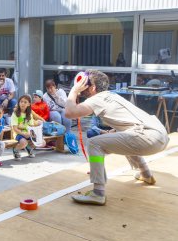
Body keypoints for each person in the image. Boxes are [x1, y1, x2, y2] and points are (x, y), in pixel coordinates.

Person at [65, 70, 169, 205]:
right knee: (125, 136)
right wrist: (112, 132)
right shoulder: (113, 96)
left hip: (147, 136)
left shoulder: (97, 99)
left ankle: (98, 193)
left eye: (85, 84)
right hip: (160, 134)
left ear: (93, 87)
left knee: (93, 143)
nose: (82, 86)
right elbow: (128, 124)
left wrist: (73, 90)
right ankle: (146, 175)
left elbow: (69, 112)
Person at [11, 95, 45, 160]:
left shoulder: (29, 114)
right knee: (24, 142)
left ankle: (29, 147)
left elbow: (31, 126)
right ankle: (15, 150)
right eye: (21, 102)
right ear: (19, 103)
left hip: (28, 133)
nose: (23, 103)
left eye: (25, 102)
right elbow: (15, 128)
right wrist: (24, 134)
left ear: (29, 104)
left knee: (42, 142)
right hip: (18, 133)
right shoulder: (15, 113)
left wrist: (34, 134)